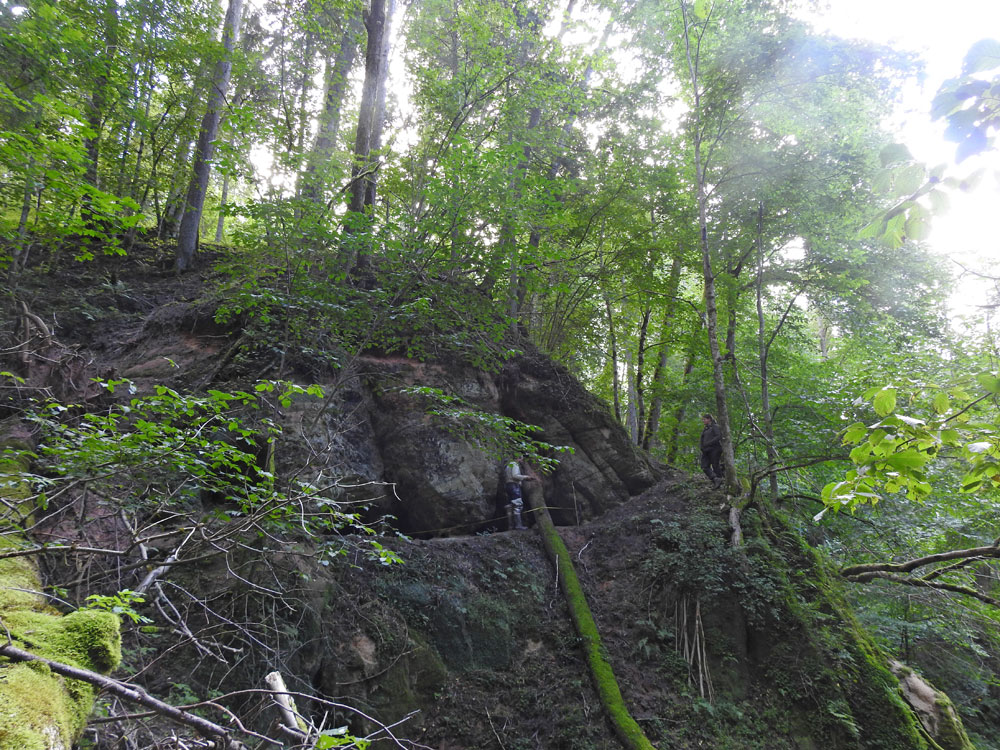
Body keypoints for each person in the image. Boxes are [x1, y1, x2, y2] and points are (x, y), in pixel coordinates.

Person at [504, 457, 535, 530]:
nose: (522, 461)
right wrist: (526, 477)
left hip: (508, 485)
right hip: (514, 486)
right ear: (518, 458)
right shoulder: (514, 464)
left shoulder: (508, 465)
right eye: (521, 459)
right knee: (517, 505)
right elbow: (515, 475)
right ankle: (518, 525)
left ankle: (510, 526)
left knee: (509, 506)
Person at [699, 414, 723, 489]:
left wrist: (709, 443)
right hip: (706, 450)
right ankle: (715, 479)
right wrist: (702, 447)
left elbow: (718, 436)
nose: (703, 421)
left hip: (715, 449)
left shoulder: (715, 426)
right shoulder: (705, 429)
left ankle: (719, 481)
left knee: (715, 465)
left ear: (709, 419)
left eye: (704, 419)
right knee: (704, 466)